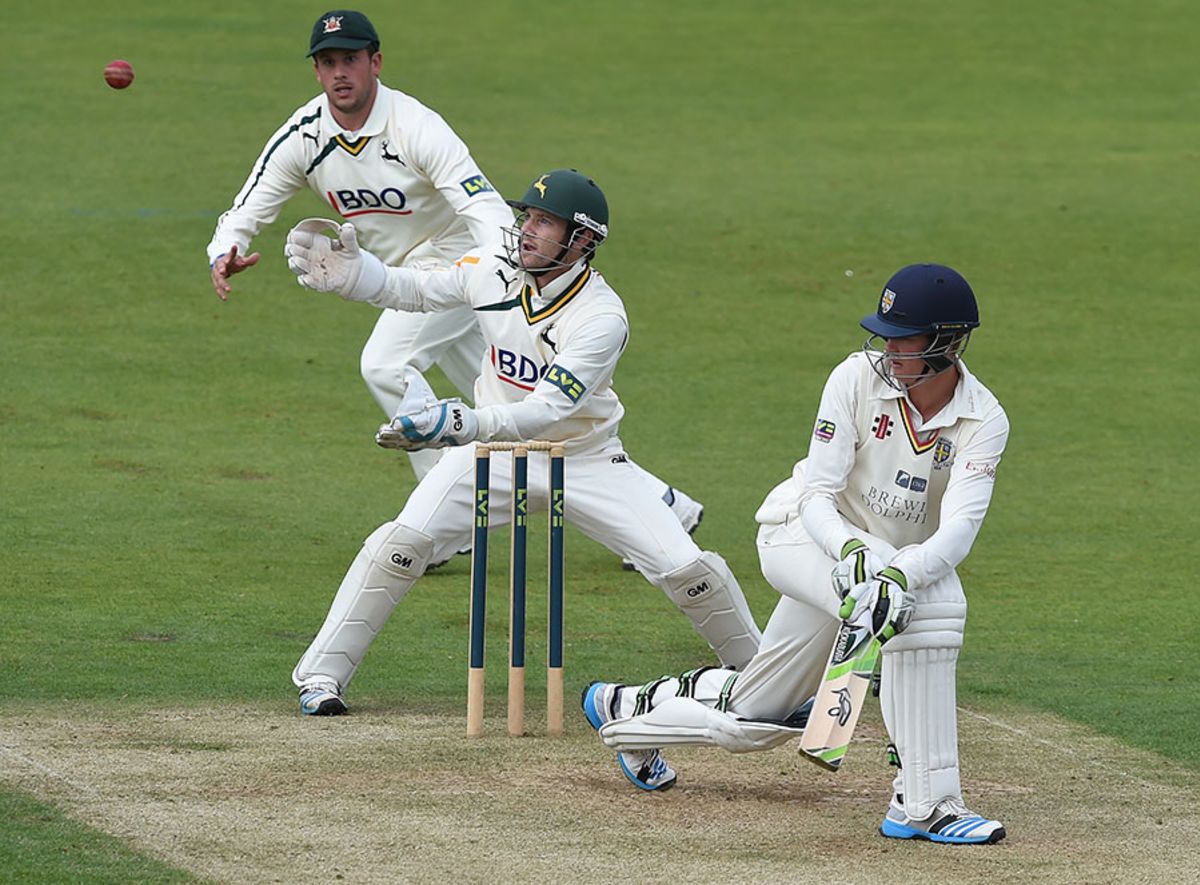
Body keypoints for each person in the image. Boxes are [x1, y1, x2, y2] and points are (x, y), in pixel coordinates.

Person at [205, 10, 704, 548]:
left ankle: (445, 525)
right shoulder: (306, 135)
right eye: (327, 63)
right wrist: (226, 248)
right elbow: (251, 199)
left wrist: (501, 265)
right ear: (316, 72)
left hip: (459, 264)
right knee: (517, 399)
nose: (339, 73)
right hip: (404, 271)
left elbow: (480, 199)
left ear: (375, 62)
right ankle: (666, 507)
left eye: (350, 59)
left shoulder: (414, 124)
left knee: (385, 364)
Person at [281, 168, 763, 717]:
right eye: (526, 217)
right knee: (402, 542)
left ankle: (766, 682)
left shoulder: (602, 318)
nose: (526, 230)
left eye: (544, 222)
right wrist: (354, 275)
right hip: (491, 458)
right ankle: (322, 675)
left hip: (585, 460)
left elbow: (545, 411)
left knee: (688, 569)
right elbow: (414, 289)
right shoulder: (493, 270)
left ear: (582, 240)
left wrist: (461, 423)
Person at [579, 264, 1010, 846]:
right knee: (929, 605)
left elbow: (959, 529)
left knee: (755, 721)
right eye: (883, 334)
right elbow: (816, 494)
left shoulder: (984, 419)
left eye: (903, 337)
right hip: (800, 539)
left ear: (947, 342)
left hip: (879, 570)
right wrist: (852, 551)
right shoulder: (855, 378)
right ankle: (925, 804)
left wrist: (894, 570)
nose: (888, 349)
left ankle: (626, 712)